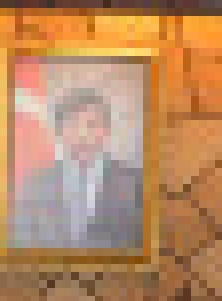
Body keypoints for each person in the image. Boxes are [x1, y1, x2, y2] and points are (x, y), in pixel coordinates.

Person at [12, 87, 143, 251]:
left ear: (107, 131)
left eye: (92, 125)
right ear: (59, 132)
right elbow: (21, 244)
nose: (82, 135)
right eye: (72, 126)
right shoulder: (34, 185)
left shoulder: (135, 182)